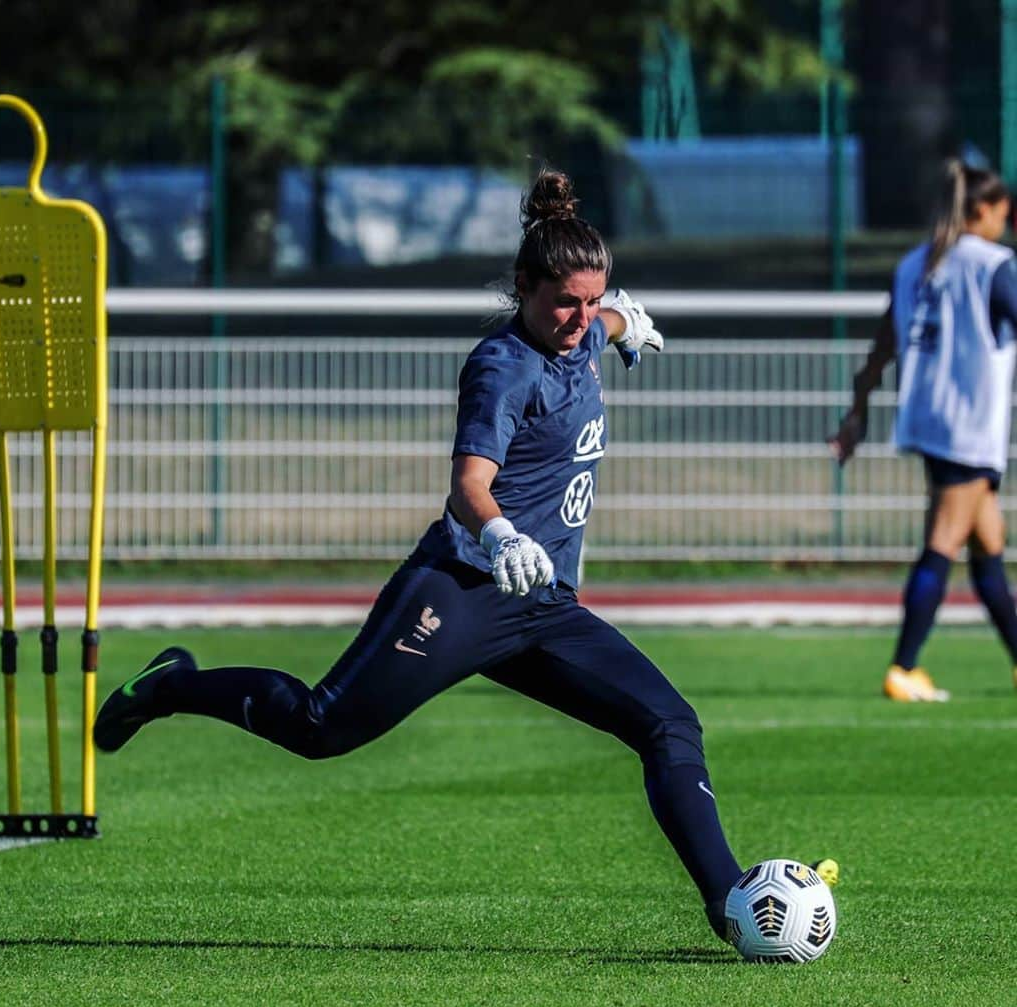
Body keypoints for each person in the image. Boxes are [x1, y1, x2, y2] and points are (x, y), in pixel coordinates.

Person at [96, 168, 835, 942]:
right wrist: (502, 534)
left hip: (543, 607)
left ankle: (729, 907)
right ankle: (173, 686)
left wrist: (628, 323)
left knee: (669, 723)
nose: (581, 318)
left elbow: (608, 320)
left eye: (593, 300)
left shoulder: (582, 330)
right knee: (320, 727)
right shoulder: (503, 366)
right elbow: (469, 485)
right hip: (463, 589)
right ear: (523, 288)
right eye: (566, 303)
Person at [830, 158, 1017, 701]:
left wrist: (857, 409)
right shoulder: (992, 264)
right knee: (944, 540)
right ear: (982, 210)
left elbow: (883, 344)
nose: (1004, 225)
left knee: (987, 547)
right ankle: (904, 668)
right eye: (1003, 214)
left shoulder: (916, 263)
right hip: (969, 421)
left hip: (928, 416)